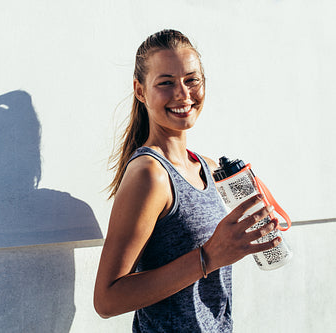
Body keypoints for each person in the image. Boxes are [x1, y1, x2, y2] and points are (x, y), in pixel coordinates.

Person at [93, 29, 281, 332]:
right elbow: (107, 300)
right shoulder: (150, 174)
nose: (182, 93)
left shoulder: (207, 167)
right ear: (140, 91)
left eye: (191, 80)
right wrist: (208, 256)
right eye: (166, 83)